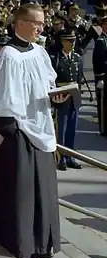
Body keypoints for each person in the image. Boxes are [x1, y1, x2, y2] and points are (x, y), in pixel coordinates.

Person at [0, 3, 62, 258]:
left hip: (41, 127)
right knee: (23, 193)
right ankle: (23, 245)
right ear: (20, 23)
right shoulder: (8, 58)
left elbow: (49, 85)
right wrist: (13, 133)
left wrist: (57, 96)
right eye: (36, 23)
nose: (41, 27)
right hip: (18, 133)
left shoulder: (40, 52)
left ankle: (41, 242)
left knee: (44, 190)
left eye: (42, 23)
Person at [51, 30, 82, 170]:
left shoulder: (76, 58)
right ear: (63, 41)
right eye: (69, 40)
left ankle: (71, 157)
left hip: (73, 99)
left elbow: (79, 78)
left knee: (71, 130)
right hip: (61, 98)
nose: (72, 43)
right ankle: (61, 157)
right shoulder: (56, 59)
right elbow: (52, 81)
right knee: (61, 130)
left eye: (73, 40)